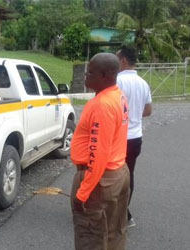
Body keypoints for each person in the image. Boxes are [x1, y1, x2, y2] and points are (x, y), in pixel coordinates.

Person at [70, 53, 130, 250]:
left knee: (91, 236)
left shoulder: (102, 105)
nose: (86, 76)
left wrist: (83, 192)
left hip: (100, 180)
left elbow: (98, 153)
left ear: (104, 76)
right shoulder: (117, 95)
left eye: (90, 72)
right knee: (114, 231)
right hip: (118, 171)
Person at [116, 47, 152, 228]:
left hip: (118, 138)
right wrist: (133, 115)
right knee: (129, 174)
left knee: (111, 175)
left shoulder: (117, 81)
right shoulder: (143, 83)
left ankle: (119, 213)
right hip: (136, 137)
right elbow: (148, 111)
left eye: (116, 58)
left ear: (123, 61)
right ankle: (124, 213)